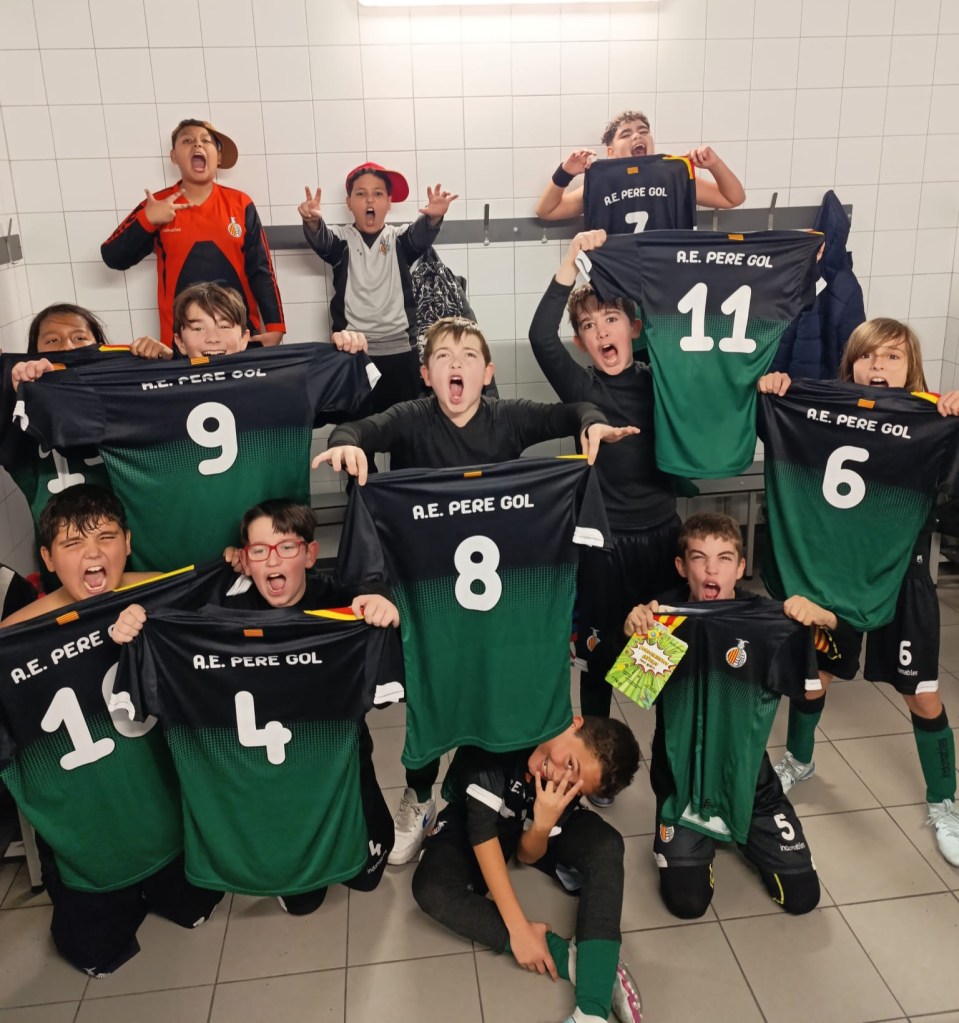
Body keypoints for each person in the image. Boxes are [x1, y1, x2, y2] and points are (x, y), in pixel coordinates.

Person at [314, 315, 638, 865]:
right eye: (442, 356)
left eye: (468, 356)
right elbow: (359, 430)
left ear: (487, 373)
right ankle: (419, 795)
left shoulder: (505, 416)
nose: (455, 364)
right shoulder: (412, 417)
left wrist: (591, 422)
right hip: (430, 590)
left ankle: (505, 785)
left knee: (500, 676)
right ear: (426, 375)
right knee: (430, 688)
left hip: (502, 588)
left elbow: (569, 412)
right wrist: (347, 445)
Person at [111, 497, 400, 914]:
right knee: (304, 902)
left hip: (340, 760)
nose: (273, 560)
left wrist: (381, 601)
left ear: (310, 554)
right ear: (246, 561)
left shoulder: (339, 602)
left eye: (287, 547)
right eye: (260, 551)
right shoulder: (223, 611)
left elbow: (372, 597)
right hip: (267, 776)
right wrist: (137, 619)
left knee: (369, 873)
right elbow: (168, 621)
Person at [758, 318, 959, 867]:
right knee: (814, 676)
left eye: (892, 356)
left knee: (922, 693)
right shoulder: (820, 409)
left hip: (902, 576)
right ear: (850, 367)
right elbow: (772, 425)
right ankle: (800, 761)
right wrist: (776, 389)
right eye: (868, 356)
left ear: (911, 368)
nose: (878, 366)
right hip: (833, 573)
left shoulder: (933, 418)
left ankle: (944, 801)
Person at [0, 485, 223, 975]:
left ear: (128, 541)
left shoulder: (165, 594)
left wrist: (234, 566)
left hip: (170, 822)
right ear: (48, 559)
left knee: (194, 905)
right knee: (95, 953)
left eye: (105, 537)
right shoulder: (13, 640)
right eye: (72, 543)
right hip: (83, 840)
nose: (93, 554)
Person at [529, 230, 680, 802]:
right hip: (601, 546)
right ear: (581, 341)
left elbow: (708, 358)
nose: (601, 333)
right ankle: (591, 770)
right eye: (589, 326)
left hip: (659, 540)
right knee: (597, 664)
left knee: (650, 666)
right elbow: (539, 336)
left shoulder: (663, 381)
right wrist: (570, 262)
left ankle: (662, 774)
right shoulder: (581, 385)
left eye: (611, 319)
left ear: (634, 327)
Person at [624, 513, 823, 918]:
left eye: (724, 558)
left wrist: (823, 618)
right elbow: (636, 688)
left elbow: (824, 678)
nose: (711, 570)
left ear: (741, 567)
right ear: (682, 566)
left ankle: (741, 825)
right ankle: (696, 831)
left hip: (748, 780)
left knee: (803, 898)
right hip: (682, 785)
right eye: (699, 558)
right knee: (688, 904)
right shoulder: (663, 619)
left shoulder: (768, 620)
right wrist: (630, 633)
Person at [412, 716, 642, 1023]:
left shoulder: (559, 787)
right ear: (573, 724)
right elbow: (482, 831)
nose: (560, 777)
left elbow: (526, 855)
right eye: (570, 763)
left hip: (533, 819)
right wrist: (519, 932)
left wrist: (543, 825)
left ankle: (591, 1013)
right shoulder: (508, 727)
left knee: (607, 845)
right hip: (480, 819)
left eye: (574, 785)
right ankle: (588, 965)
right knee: (431, 888)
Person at [101, 118, 284, 349]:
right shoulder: (157, 205)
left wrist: (275, 326)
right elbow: (113, 257)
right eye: (187, 141)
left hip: (240, 336)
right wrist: (147, 220)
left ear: (218, 156)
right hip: (181, 342)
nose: (197, 144)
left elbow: (261, 270)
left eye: (206, 141)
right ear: (174, 156)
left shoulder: (241, 203)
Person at [298, 162, 457, 411]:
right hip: (353, 353)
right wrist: (312, 222)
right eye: (361, 193)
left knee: (403, 427)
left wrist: (434, 217)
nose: (369, 200)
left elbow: (419, 235)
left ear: (389, 202)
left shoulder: (398, 238)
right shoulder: (342, 239)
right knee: (358, 429)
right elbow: (323, 240)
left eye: (378, 193)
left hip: (400, 351)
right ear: (349, 203)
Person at [535, 109, 745, 222]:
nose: (637, 136)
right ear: (611, 152)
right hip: (616, 279)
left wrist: (715, 164)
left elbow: (733, 198)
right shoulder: (602, 183)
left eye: (643, 131)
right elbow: (547, 211)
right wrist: (565, 173)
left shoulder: (673, 175)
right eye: (626, 134)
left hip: (665, 276)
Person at [9, 302, 170, 390]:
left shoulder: (125, 373)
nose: (67, 347)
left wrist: (169, 361)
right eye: (53, 340)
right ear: (34, 351)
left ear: (99, 345)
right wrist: (20, 386)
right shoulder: (23, 380)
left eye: (79, 338)